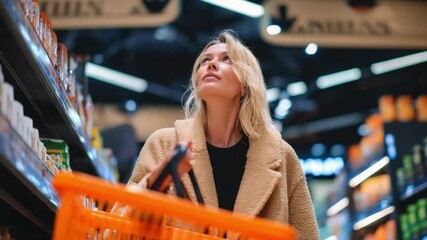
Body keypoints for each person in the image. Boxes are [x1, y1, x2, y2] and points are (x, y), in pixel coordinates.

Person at [127, 30, 319, 239]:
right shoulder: (164, 144)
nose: (211, 64)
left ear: (245, 84)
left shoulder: (282, 156)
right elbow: (119, 223)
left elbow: (306, 234)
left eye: (227, 59)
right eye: (204, 61)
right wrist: (158, 179)